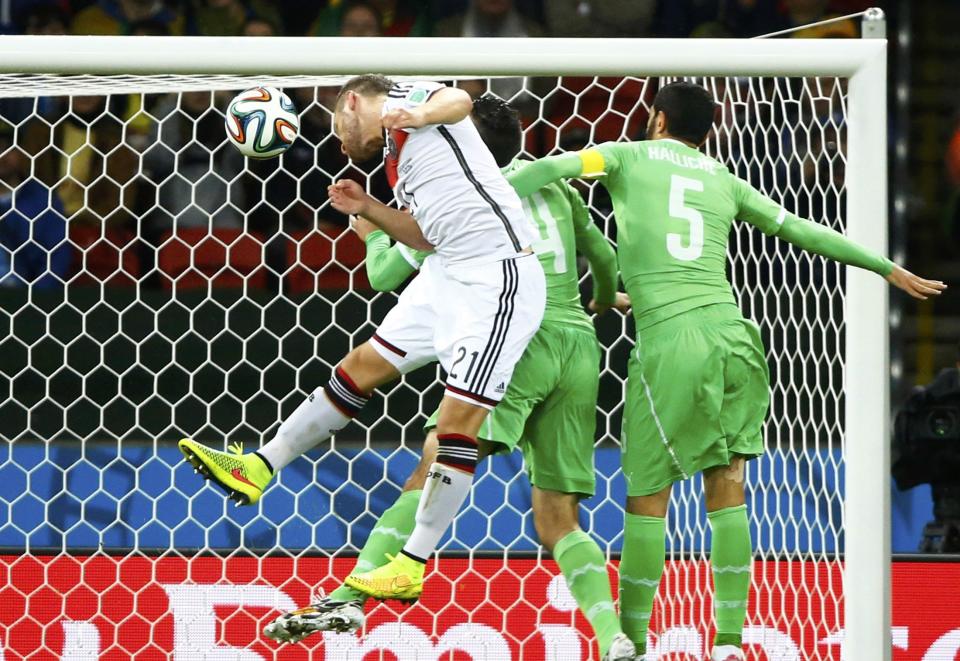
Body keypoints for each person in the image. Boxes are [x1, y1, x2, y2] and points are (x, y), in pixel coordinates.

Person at [504, 81, 947, 661]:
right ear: (707, 130)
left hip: (672, 343)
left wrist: (463, 197)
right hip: (736, 338)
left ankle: (632, 643)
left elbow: (546, 171)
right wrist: (884, 266)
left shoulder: (621, 155)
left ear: (657, 119)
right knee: (728, 490)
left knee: (647, 500)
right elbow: (800, 230)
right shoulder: (723, 178)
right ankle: (730, 644)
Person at [262, 95, 636, 661]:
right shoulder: (559, 189)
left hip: (516, 334)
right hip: (578, 344)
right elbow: (604, 256)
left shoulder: (458, 196)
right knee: (558, 518)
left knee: (432, 464)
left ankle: (348, 596)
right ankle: (615, 640)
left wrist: (368, 229)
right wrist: (602, 301)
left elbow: (388, 272)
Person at [178, 75, 546, 604]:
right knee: (360, 366)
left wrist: (417, 115)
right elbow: (425, 236)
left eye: (335, 127)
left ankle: (411, 563)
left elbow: (460, 99)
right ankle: (260, 466)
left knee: (455, 424)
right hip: (448, 272)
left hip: (497, 279)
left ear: (352, 101)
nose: (338, 142)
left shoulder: (407, 104)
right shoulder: (397, 158)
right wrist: (369, 207)